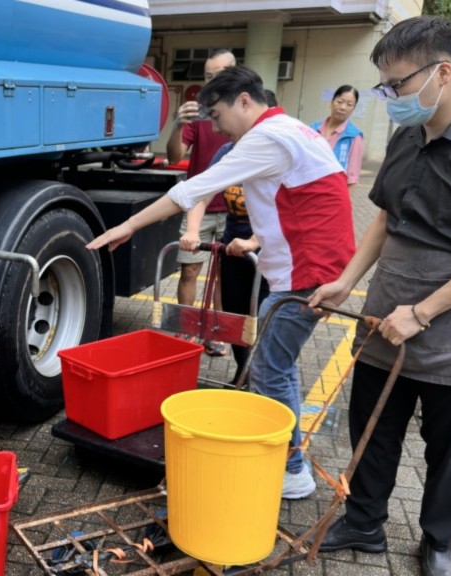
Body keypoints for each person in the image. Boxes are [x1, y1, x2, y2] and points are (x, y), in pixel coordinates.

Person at [308, 16, 451, 576]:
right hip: (387, 310)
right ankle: (364, 521)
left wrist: (423, 312)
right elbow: (385, 217)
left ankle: (438, 541)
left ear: (443, 71)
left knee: (450, 447)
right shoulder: (411, 134)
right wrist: (348, 279)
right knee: (374, 425)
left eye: (397, 85)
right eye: (383, 87)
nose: (390, 97)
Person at [87, 66, 355, 500]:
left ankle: (291, 469)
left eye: (216, 115)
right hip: (314, 265)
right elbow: (298, 198)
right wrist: (256, 239)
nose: (213, 126)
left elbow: (190, 191)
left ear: (244, 101)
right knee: (274, 365)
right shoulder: (291, 129)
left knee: (270, 369)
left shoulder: (265, 137)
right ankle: (287, 462)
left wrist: (129, 226)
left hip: (306, 274)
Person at [167, 48, 235, 356]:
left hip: (236, 209)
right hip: (199, 208)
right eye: (209, 76)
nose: (213, 82)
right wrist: (178, 124)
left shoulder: (244, 113)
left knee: (223, 274)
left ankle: (215, 332)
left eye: (220, 75)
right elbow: (173, 157)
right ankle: (187, 329)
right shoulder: (199, 113)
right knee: (190, 271)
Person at [215, 90, 276, 386]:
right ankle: (243, 371)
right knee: (234, 317)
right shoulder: (227, 152)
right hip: (232, 248)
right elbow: (201, 191)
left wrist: (254, 241)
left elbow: (279, 207)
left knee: (260, 317)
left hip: (266, 253)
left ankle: (261, 376)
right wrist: (190, 230)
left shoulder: (275, 153)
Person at [311, 85, 363, 189]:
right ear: (331, 102)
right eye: (339, 102)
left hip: (333, 193)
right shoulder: (313, 129)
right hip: (309, 189)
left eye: (349, 104)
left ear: (353, 109)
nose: (343, 107)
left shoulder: (354, 136)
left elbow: (352, 177)